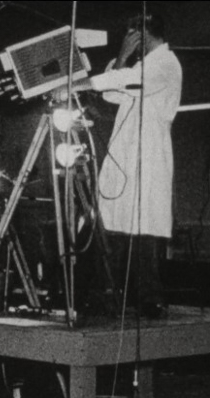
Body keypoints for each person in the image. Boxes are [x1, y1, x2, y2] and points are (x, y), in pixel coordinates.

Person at [65, 14, 182, 317]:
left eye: (133, 35)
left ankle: (149, 298)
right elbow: (112, 92)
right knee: (113, 224)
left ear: (142, 34)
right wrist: (121, 58)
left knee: (143, 227)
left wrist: (74, 84)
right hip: (126, 157)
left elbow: (124, 81)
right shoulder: (142, 66)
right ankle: (106, 294)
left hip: (148, 158)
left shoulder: (165, 64)